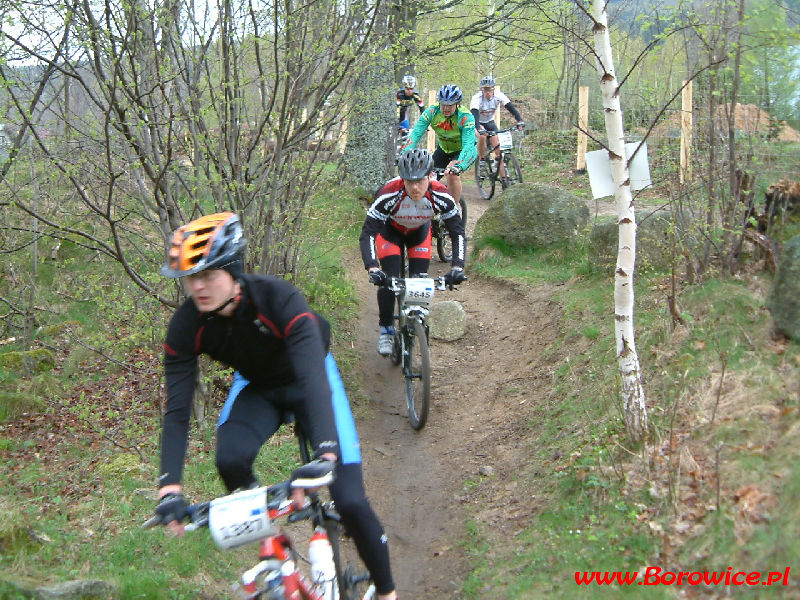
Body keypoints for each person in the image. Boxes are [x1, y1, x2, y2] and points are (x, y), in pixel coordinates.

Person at [153, 212, 398, 600]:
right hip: (257, 385)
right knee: (229, 459)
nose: (196, 287)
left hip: (311, 376)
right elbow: (177, 411)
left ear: (232, 270)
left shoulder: (278, 298)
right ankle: (276, 546)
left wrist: (326, 454)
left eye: (206, 275)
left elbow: (312, 380)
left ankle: (387, 592)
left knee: (349, 498)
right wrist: (169, 489)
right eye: (189, 279)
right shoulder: (186, 326)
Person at [359, 149, 466, 355]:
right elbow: (368, 234)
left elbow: (457, 232)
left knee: (419, 280)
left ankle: (416, 319)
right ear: (402, 179)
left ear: (430, 176)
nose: (415, 187)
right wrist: (372, 267)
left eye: (420, 181)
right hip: (390, 232)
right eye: (409, 181)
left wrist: (457, 267)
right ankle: (387, 330)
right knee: (389, 279)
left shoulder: (441, 194)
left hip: (419, 233)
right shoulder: (389, 193)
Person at [399, 84, 477, 210]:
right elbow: (416, 134)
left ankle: (453, 212)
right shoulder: (431, 112)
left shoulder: (466, 117)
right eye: (443, 104)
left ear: (457, 104)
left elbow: (468, 145)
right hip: (443, 150)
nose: (446, 108)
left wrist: (459, 165)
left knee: (452, 174)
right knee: (425, 175)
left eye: (450, 105)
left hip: (463, 151)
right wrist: (404, 153)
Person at [469, 75, 525, 190]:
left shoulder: (499, 96)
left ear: (493, 89)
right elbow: (474, 114)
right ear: (481, 90)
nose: (487, 92)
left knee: (499, 151)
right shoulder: (477, 98)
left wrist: (519, 120)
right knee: (482, 137)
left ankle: (504, 180)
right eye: (485, 89)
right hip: (478, 122)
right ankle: (483, 160)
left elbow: (511, 108)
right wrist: (478, 128)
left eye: (489, 89)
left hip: (490, 122)